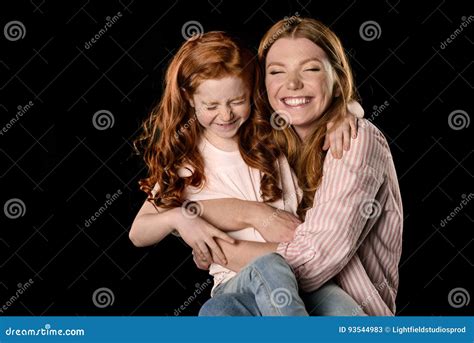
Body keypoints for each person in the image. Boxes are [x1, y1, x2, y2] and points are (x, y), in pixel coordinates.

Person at [130, 31, 363, 315]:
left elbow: (321, 106)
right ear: (190, 99)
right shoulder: (187, 163)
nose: (226, 115)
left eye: (237, 101)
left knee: (345, 310)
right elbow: (138, 232)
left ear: (251, 90)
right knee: (265, 270)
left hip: (303, 275)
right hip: (237, 281)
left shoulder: (273, 133)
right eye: (211, 106)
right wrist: (179, 217)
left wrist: (344, 113)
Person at [195, 18, 403, 316]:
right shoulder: (264, 140)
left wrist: (219, 250)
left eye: (311, 69)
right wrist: (244, 215)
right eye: (277, 71)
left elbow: (314, 259)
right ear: (262, 85)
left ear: (338, 78)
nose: (292, 84)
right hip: (268, 305)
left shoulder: (356, 139)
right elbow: (191, 204)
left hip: (346, 314)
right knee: (217, 309)